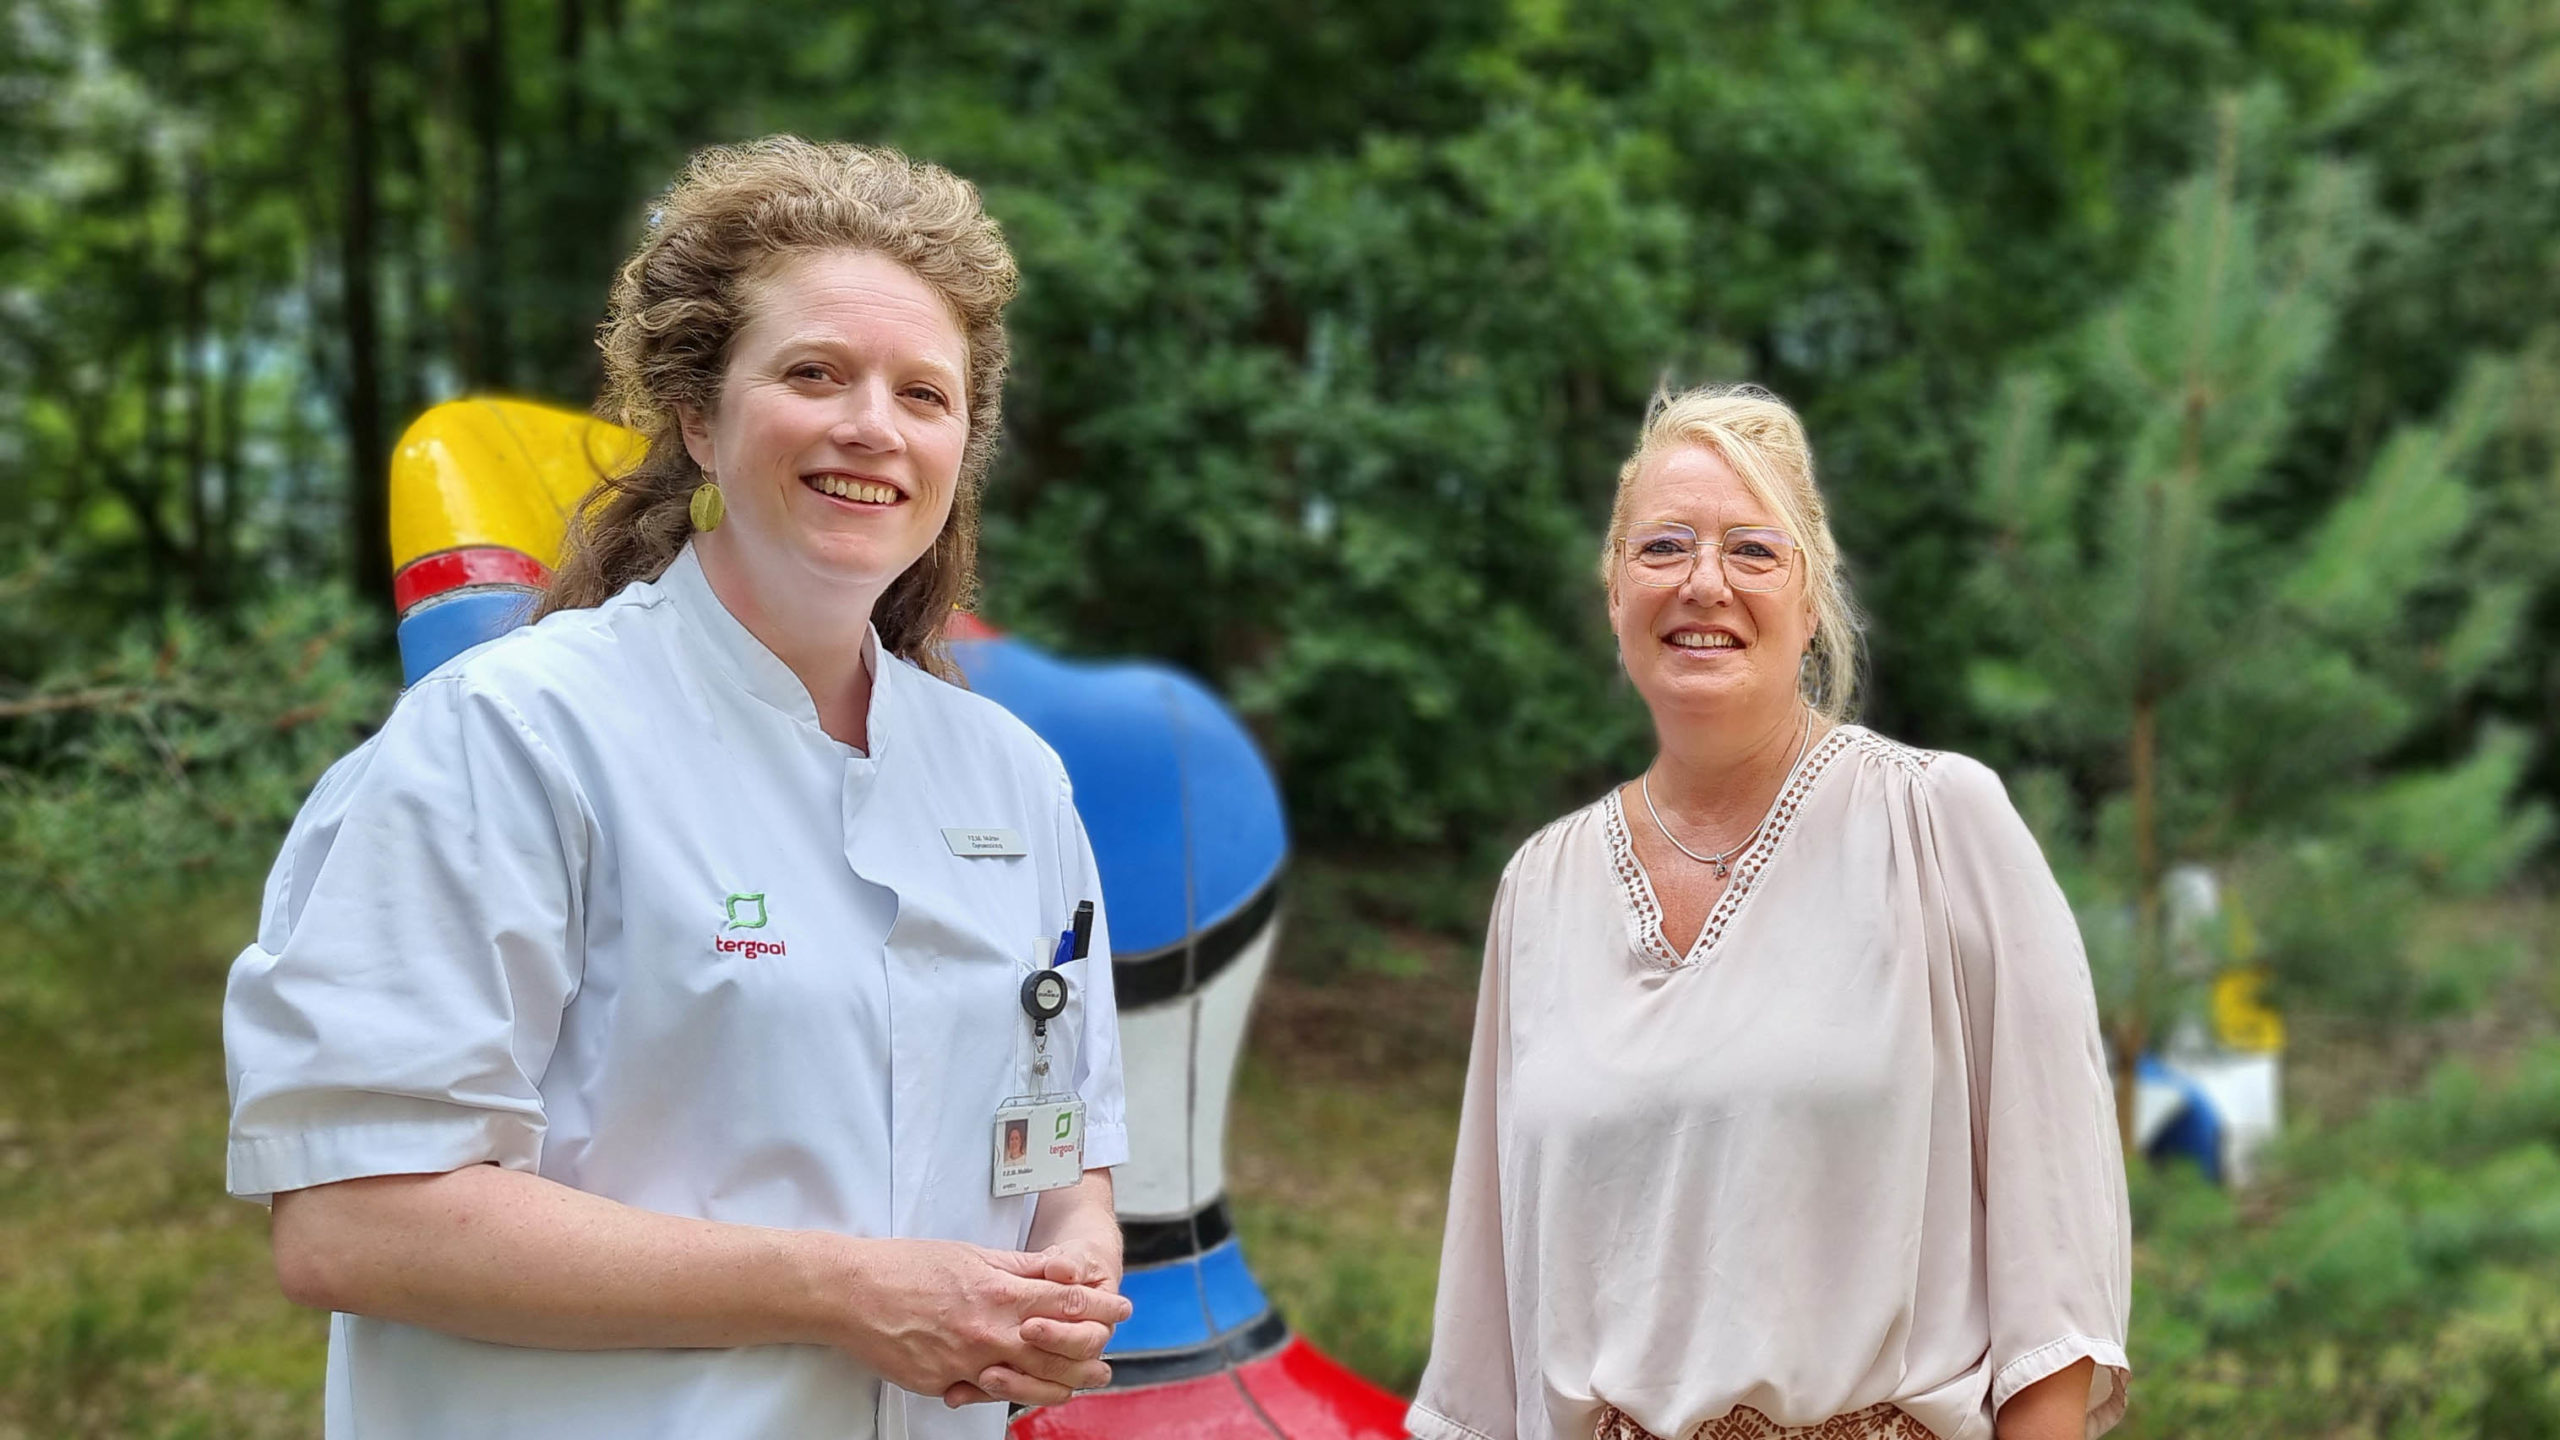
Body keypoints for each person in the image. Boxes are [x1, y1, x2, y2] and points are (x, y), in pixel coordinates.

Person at [223, 137, 1130, 1440]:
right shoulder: (510, 740)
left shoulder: (1013, 780)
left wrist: (1075, 1247)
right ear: (699, 417)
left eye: (922, 394)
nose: (872, 424)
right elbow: (357, 1220)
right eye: (815, 373)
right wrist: (842, 1292)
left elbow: (1063, 1129)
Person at [1407, 386, 2130, 1440]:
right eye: (1662, 547)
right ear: (1612, 592)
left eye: (1753, 551)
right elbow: (1482, 1341)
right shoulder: (1540, 889)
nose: (1704, 583)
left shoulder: (1937, 827)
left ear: (1809, 598)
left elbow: (2051, 1284)